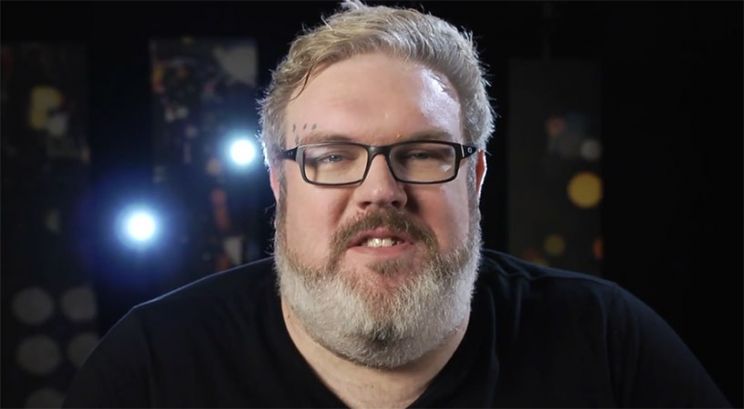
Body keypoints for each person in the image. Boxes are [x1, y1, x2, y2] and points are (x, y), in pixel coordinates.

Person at [64, 1, 730, 407]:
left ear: (474, 178)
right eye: (333, 156)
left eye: (423, 153)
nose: (381, 189)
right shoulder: (152, 368)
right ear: (279, 184)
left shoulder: (606, 344)